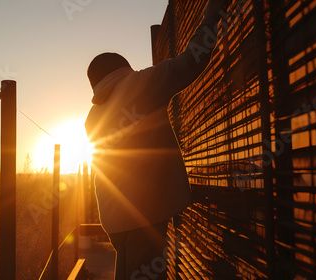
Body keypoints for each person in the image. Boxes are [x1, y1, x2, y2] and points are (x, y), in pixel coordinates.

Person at [84, 1, 226, 279]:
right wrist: (212, 14)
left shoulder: (93, 115)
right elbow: (193, 58)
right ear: (123, 69)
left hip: (116, 220)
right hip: (143, 217)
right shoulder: (137, 86)